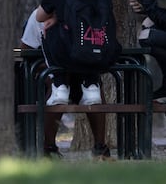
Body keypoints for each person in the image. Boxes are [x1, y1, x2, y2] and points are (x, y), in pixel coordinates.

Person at [21, 8, 110, 159]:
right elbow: (26, 50)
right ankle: (48, 146)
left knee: (93, 81)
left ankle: (100, 146)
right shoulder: (39, 15)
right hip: (52, 71)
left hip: (83, 72)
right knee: (58, 80)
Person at [36, 0, 112, 107]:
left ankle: (60, 86)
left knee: (47, 30)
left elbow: (39, 16)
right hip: (104, 54)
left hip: (69, 57)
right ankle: (92, 86)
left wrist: (57, 15)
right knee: (91, 37)